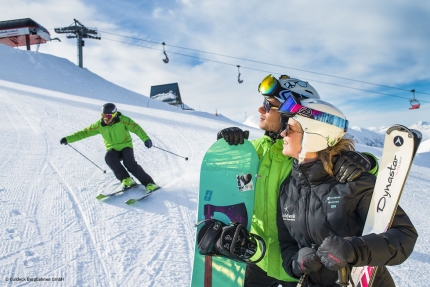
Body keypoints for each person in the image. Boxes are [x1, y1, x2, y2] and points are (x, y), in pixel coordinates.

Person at [217, 75, 378, 287]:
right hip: (258, 258)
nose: (260, 109)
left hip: (301, 265)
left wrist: (367, 161)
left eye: (269, 104)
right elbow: (222, 180)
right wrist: (225, 149)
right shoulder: (253, 151)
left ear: (292, 112)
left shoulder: (310, 153)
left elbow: (344, 160)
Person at [276, 95, 417, 286]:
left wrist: (353, 249)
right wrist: (297, 262)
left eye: (290, 128)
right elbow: (287, 245)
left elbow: (403, 236)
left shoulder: (353, 181)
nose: (282, 133)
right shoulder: (287, 188)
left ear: (314, 136)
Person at [60, 103, 158, 192]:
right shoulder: (99, 125)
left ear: (114, 115)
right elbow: (84, 132)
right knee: (109, 158)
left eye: (108, 116)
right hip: (113, 149)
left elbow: (136, 128)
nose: (105, 119)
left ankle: (149, 183)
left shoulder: (123, 120)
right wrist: (68, 139)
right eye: (103, 116)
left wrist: (146, 139)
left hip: (126, 146)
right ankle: (126, 179)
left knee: (129, 163)